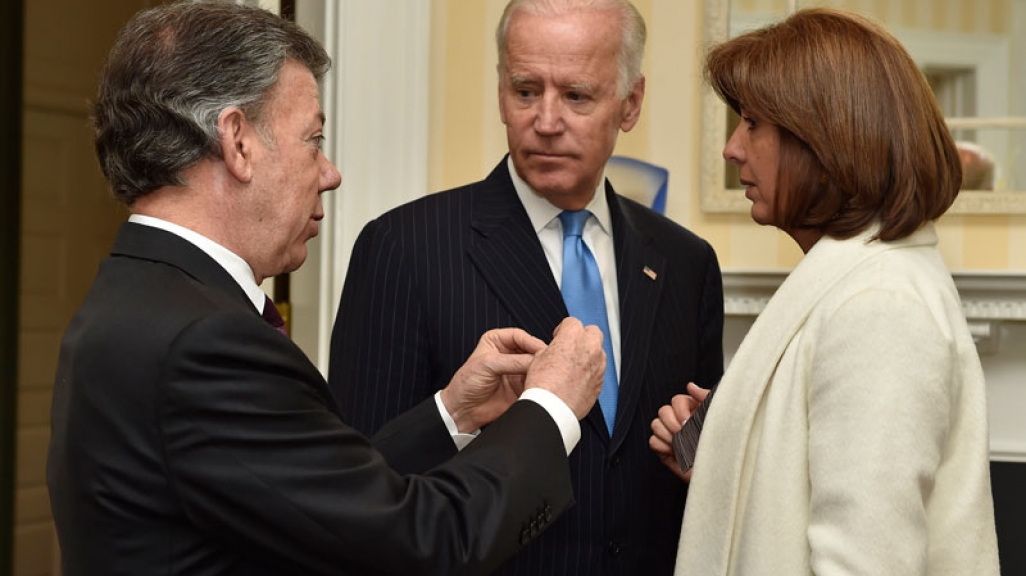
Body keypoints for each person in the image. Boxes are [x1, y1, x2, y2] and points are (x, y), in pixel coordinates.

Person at [46, 3, 610, 576]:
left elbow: (311, 499)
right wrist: (550, 406)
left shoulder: (139, 293)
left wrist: (452, 413)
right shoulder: (206, 342)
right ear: (238, 142)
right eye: (312, 140)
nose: (330, 172)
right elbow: (418, 543)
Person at [328, 1, 723, 575]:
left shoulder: (686, 262)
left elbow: (691, 466)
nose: (546, 120)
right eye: (525, 90)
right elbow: (362, 480)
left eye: (577, 95)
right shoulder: (404, 249)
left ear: (630, 103)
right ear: (500, 92)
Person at [648, 8, 1000, 575]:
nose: (732, 148)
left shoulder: (880, 307)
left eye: (753, 123)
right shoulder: (859, 283)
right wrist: (730, 448)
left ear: (826, 141)